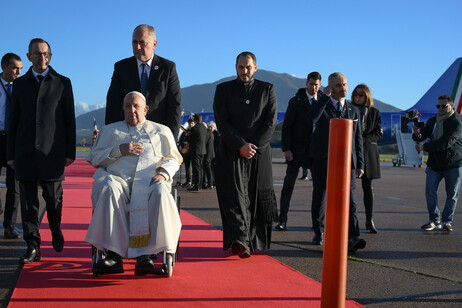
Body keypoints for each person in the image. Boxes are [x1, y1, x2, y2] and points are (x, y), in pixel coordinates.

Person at [85, 91, 182, 275]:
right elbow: (95, 158)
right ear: (123, 109)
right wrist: (118, 150)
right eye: (128, 106)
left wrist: (163, 172)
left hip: (150, 184)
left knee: (161, 191)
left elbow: (174, 158)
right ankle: (113, 255)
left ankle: (147, 255)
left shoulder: (162, 131)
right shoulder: (110, 130)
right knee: (107, 187)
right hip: (118, 181)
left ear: (145, 109)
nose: (132, 110)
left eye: (136, 106)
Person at [7, 38, 76, 263]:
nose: (42, 58)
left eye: (46, 54)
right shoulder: (19, 85)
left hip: (52, 153)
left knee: (53, 200)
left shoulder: (63, 83)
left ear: (51, 56)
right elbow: (12, 122)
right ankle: (33, 245)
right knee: (28, 205)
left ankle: (55, 229)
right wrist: (10, 155)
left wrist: (70, 152)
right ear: (28, 57)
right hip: (25, 152)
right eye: (37, 54)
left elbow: (69, 120)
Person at [213, 51, 278, 258]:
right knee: (233, 196)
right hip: (232, 151)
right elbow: (222, 122)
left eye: (248, 67)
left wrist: (253, 147)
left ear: (255, 68)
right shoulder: (223, 90)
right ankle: (239, 240)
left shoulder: (267, 90)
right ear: (235, 67)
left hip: (258, 154)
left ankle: (253, 241)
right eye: (241, 67)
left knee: (256, 197)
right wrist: (240, 145)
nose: (244, 71)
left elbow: (270, 122)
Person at [308, 72, 365, 250]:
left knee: (351, 200)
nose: (344, 89)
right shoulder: (322, 105)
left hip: (347, 162)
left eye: (345, 85)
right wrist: (324, 97)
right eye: (339, 86)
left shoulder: (353, 110)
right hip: (323, 160)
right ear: (330, 88)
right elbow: (312, 118)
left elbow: (358, 138)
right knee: (321, 196)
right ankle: (320, 231)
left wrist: (360, 163)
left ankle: (352, 236)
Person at [105, 24, 181, 139]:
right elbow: (113, 105)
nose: (138, 47)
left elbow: (174, 107)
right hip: (127, 136)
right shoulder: (121, 68)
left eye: (142, 43)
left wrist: (171, 140)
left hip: (157, 136)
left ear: (154, 44)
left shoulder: (167, 68)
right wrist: (110, 137)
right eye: (134, 42)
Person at [276, 72, 325, 231]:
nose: (314, 87)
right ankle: (282, 220)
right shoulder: (296, 101)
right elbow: (287, 126)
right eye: (311, 84)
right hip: (296, 150)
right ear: (306, 83)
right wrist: (287, 149)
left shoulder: (324, 101)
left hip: (316, 151)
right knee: (288, 186)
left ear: (320, 85)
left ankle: (317, 225)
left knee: (319, 188)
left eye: (316, 84)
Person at [413, 95, 462, 232]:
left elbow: (446, 143)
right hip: (434, 164)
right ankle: (434, 220)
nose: (440, 108)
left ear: (451, 107)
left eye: (443, 106)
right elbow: (422, 135)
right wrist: (416, 133)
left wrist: (425, 147)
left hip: (453, 164)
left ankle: (447, 221)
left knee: (452, 195)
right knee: (430, 192)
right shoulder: (432, 121)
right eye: (438, 106)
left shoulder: (456, 123)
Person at [351, 84, 383, 233]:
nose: (358, 97)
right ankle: (348, 220)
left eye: (361, 95)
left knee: (368, 188)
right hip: (352, 152)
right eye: (356, 94)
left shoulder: (374, 112)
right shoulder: (349, 109)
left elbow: (379, 132)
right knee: (348, 189)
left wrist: (365, 139)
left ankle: (369, 220)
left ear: (367, 96)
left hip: (368, 151)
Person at [0, 53, 22, 239]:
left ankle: (10, 226)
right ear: (4, 66)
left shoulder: (22, 88)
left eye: (20, 69)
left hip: (13, 141)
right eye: (15, 68)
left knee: (13, 186)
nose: (18, 72)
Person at [187, 114, 207, 191]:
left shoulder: (194, 128)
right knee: (200, 168)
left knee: (196, 168)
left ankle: (197, 185)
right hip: (202, 150)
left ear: (194, 120)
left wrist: (187, 135)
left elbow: (189, 139)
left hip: (195, 150)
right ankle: (201, 184)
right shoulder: (204, 128)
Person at [203, 122, 215, 189]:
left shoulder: (208, 133)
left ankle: (210, 183)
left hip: (208, 153)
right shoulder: (211, 133)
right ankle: (210, 183)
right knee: (208, 168)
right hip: (210, 153)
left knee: (208, 168)